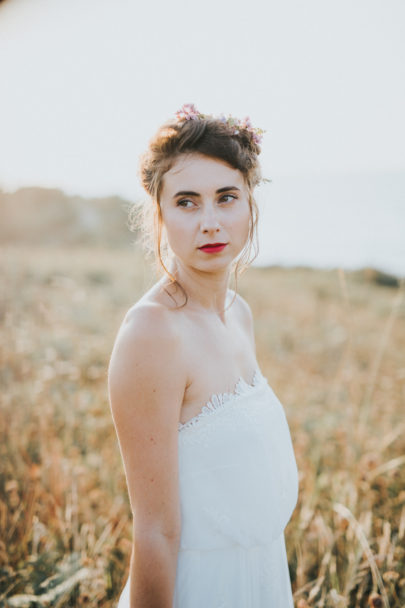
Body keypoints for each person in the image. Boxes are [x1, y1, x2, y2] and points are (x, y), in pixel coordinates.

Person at [108, 103, 299, 608]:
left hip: (259, 577)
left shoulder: (239, 313)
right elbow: (155, 532)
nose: (210, 222)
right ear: (161, 213)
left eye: (226, 198)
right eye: (187, 203)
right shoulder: (151, 333)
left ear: (250, 205)